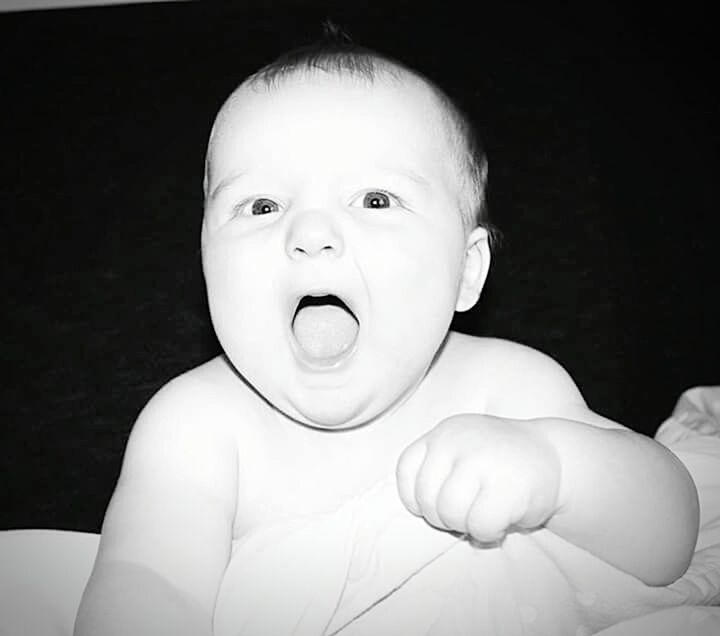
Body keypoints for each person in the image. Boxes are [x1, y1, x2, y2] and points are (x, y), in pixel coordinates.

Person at [72, 33, 701, 636]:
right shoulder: (195, 427)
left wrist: (558, 469)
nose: (312, 232)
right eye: (262, 207)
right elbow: (145, 583)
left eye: (375, 199)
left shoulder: (508, 387)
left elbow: (668, 543)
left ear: (467, 271)